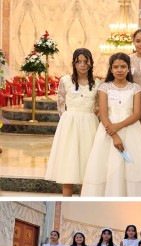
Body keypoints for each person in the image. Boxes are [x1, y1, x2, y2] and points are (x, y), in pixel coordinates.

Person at [81, 52, 141, 197]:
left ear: (129, 68)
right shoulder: (105, 88)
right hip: (108, 132)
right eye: (116, 67)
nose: (119, 70)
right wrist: (114, 134)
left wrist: (118, 126)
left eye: (123, 66)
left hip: (132, 131)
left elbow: (136, 114)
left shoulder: (135, 88)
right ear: (110, 69)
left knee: (131, 165)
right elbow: (103, 114)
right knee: (108, 166)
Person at [45, 48, 101, 196]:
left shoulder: (97, 82)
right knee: (69, 163)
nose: (82, 65)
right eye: (78, 62)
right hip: (69, 124)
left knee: (87, 164)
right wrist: (68, 119)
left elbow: (98, 106)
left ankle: (85, 197)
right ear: (74, 63)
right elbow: (60, 103)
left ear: (90, 63)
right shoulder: (65, 80)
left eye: (85, 62)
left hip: (89, 124)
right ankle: (66, 197)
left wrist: (88, 116)